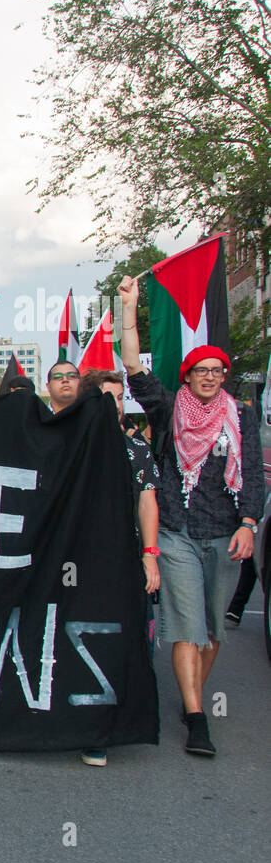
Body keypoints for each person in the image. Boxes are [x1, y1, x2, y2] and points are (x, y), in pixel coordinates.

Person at [118, 274, 264, 757]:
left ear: (223, 377)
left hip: (224, 535)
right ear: (186, 377)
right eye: (199, 370)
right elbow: (133, 364)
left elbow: (255, 481)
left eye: (215, 371)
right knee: (186, 626)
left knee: (212, 632)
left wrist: (249, 524)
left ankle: (194, 693)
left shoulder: (240, 417)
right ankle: (196, 716)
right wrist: (128, 307)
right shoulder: (167, 408)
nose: (208, 376)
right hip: (178, 531)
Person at [76, 368, 163, 766]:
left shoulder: (136, 449)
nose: (113, 405)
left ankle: (118, 722)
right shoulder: (69, 444)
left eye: (118, 398)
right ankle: (88, 725)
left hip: (126, 557)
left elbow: (147, 500)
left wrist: (149, 554)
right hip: (79, 562)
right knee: (86, 638)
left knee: (130, 640)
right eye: (104, 397)